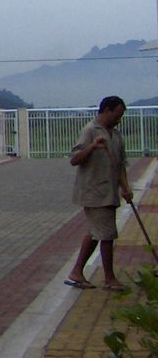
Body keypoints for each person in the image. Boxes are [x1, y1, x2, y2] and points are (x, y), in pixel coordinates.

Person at [65, 95, 132, 290]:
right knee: (107, 234)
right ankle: (109, 278)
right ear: (107, 110)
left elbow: (120, 165)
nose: (119, 119)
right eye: (117, 114)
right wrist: (93, 147)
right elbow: (74, 159)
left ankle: (77, 271)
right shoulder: (90, 131)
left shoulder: (116, 135)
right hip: (93, 191)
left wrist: (125, 187)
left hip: (109, 191)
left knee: (96, 232)